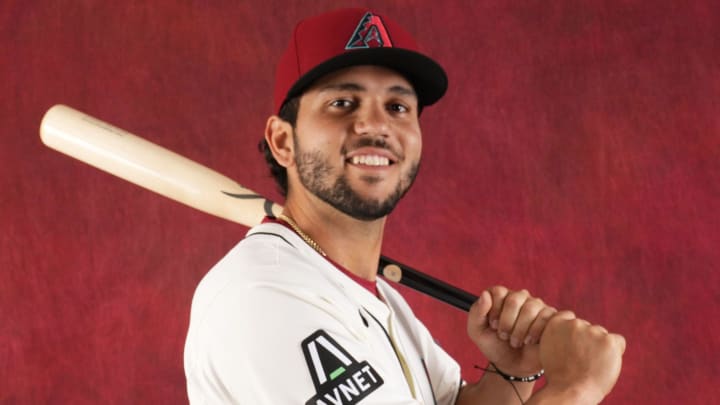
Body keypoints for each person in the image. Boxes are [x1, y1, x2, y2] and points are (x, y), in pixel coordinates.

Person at [184, 8, 625, 404]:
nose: (376, 125)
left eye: (397, 106)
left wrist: (513, 370)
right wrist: (576, 389)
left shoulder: (373, 294)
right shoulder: (263, 296)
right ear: (283, 140)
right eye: (342, 102)